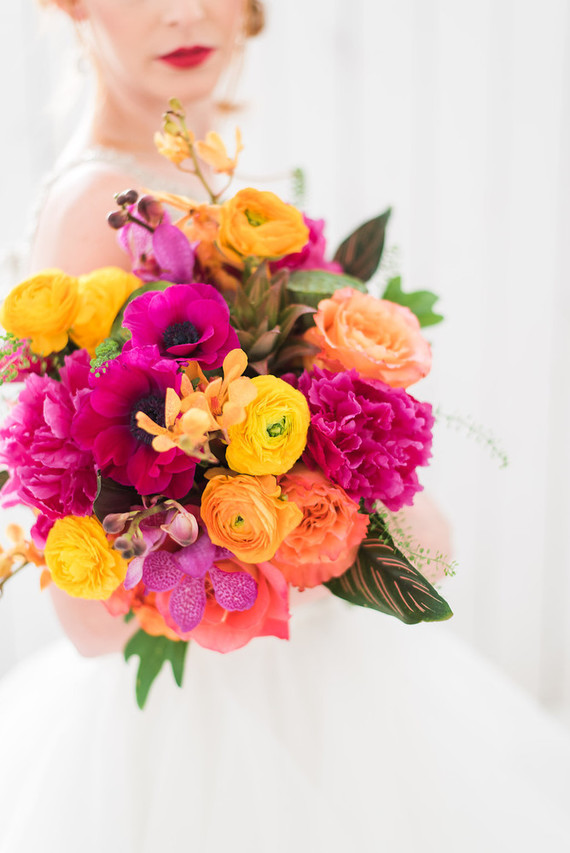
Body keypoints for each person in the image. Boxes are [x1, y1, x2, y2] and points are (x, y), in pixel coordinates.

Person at [0, 1, 569, 851]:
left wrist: (348, 453)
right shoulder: (102, 207)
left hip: (291, 659)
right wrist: (294, 500)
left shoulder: (186, 182)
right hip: (218, 710)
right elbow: (96, 591)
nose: (186, 13)